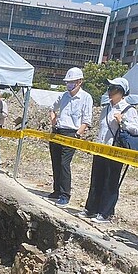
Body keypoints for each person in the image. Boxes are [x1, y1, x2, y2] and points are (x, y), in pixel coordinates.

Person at [79, 78, 138, 223]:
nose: (110, 92)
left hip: (115, 149)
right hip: (101, 148)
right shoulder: (106, 108)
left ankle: (105, 213)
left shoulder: (128, 110)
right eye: (109, 88)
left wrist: (122, 122)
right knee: (96, 179)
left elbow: (136, 129)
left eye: (114, 89)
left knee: (110, 181)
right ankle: (91, 208)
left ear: (122, 92)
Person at [49, 67, 93, 206]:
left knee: (64, 164)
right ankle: (56, 190)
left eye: (72, 82)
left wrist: (77, 134)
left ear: (79, 82)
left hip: (71, 133)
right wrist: (53, 119)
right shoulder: (63, 96)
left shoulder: (86, 97)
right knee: (56, 161)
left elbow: (86, 120)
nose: (69, 84)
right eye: (68, 82)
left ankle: (65, 194)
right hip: (58, 131)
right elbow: (52, 108)